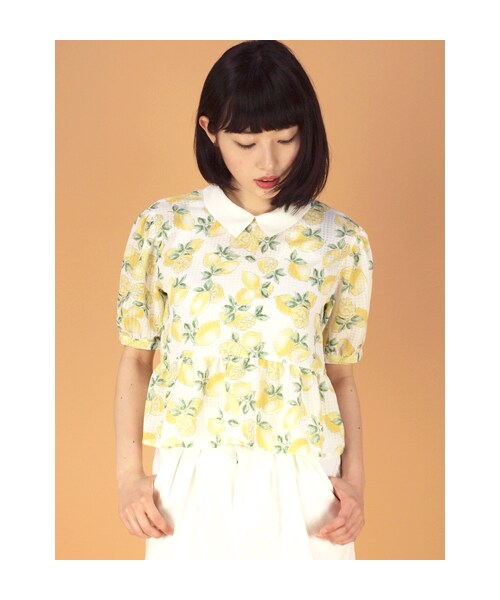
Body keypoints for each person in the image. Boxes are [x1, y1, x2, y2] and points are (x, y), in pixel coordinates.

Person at [114, 40, 374, 560]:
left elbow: (341, 374)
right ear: (210, 130)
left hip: (304, 477)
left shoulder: (341, 240)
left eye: (286, 138)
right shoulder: (163, 227)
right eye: (246, 143)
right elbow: (137, 358)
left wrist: (355, 484)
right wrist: (129, 476)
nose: (268, 161)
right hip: (190, 473)